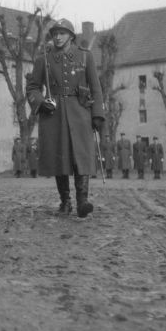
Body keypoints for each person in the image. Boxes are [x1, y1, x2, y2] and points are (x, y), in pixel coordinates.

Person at [26, 18, 104, 218]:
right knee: (58, 156)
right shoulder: (43, 59)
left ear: (71, 35)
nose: (58, 37)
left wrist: (97, 115)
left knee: (81, 155)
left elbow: (96, 88)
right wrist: (41, 102)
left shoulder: (85, 57)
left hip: (80, 112)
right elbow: (33, 87)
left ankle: (82, 201)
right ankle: (65, 201)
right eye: (55, 34)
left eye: (62, 33)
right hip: (53, 114)